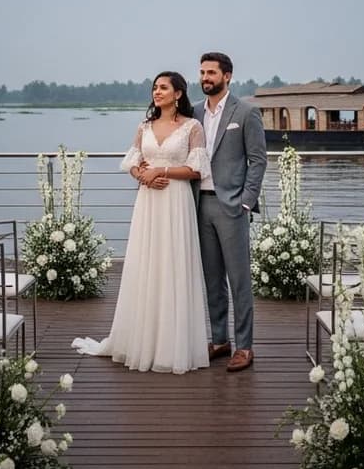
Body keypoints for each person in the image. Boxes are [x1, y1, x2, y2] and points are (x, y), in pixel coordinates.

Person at [73, 72, 210, 374]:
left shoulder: (192, 127)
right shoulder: (144, 126)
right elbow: (131, 162)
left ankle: (171, 346)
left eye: (163, 88)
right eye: (154, 88)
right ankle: (140, 339)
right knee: (146, 263)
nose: (156, 92)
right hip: (148, 201)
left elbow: (197, 169)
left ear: (178, 94)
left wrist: (160, 170)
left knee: (173, 265)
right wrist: (142, 175)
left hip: (176, 201)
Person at [196, 52, 268, 372]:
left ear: (227, 76)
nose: (205, 77)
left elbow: (258, 160)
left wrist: (245, 202)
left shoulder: (247, 113)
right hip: (200, 205)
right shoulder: (195, 113)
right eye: (202, 72)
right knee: (212, 279)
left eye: (211, 72)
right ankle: (220, 340)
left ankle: (245, 347)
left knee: (239, 280)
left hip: (232, 207)